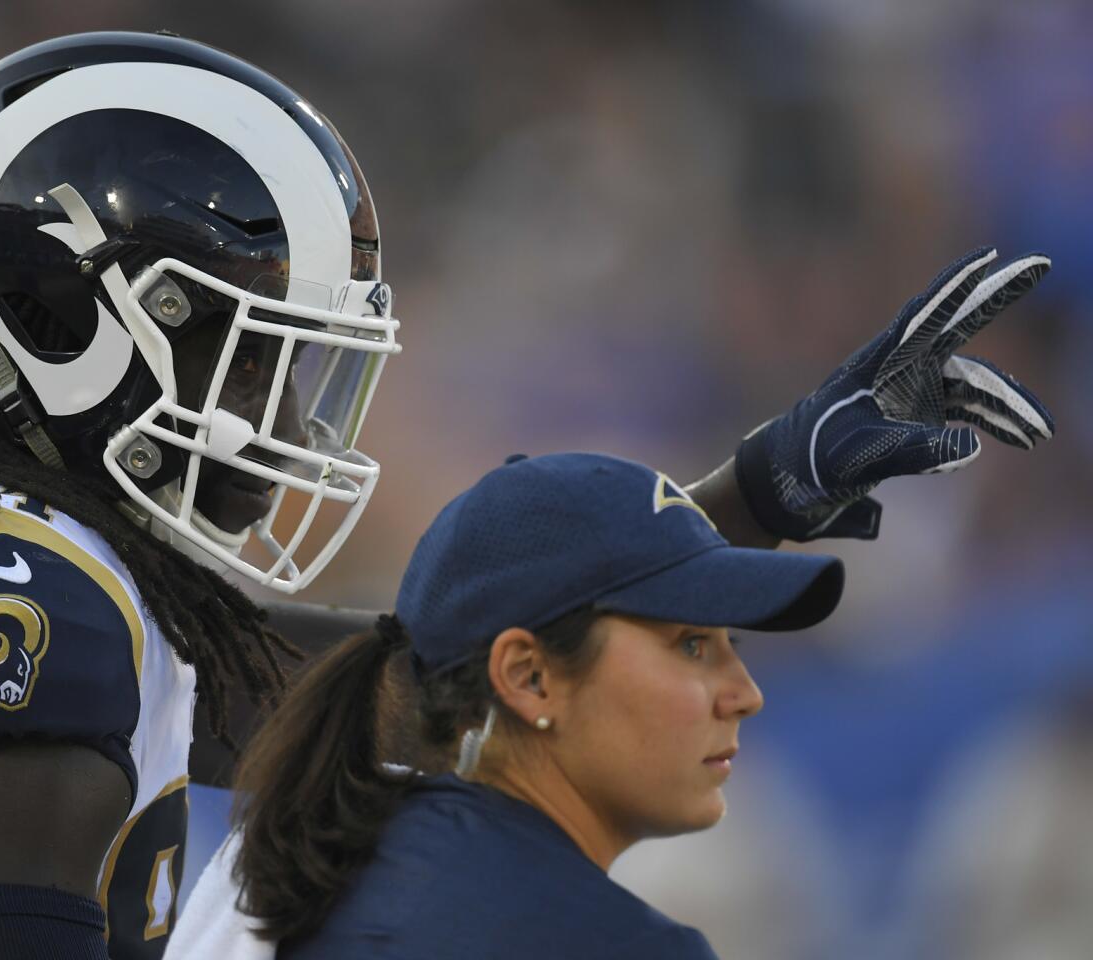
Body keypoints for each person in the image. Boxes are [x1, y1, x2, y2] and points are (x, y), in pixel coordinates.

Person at [0, 23, 1054, 960]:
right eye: (249, 352)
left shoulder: (52, 576)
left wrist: (751, 498)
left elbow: (425, 687)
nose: (280, 414)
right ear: (80, 321)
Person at [167, 248, 1058, 960]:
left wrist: (757, 495)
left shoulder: (298, 854)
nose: (744, 692)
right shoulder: (599, 940)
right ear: (528, 679)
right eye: (693, 646)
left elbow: (471, 641)